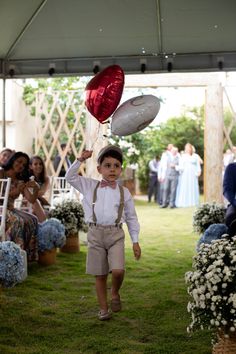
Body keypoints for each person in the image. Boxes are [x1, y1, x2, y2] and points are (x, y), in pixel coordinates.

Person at [65, 145, 141, 321]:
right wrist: (80, 159)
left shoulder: (125, 192)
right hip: (95, 234)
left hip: (116, 235)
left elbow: (131, 217)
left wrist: (135, 241)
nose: (112, 169)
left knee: (118, 271)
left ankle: (114, 292)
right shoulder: (89, 186)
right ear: (99, 169)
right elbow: (70, 177)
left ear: (121, 169)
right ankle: (103, 309)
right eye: (107, 165)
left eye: (116, 165)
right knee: (100, 275)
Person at [0, 151, 40, 261]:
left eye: (24, 164)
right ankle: (15, 257)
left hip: (10, 209)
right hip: (0, 209)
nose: (21, 165)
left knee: (33, 219)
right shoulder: (1, 173)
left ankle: (28, 256)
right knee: (18, 221)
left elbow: (31, 199)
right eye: (19, 162)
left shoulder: (20, 180)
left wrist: (36, 189)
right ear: (13, 160)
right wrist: (16, 191)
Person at [175, 143, 201, 208]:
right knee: (185, 186)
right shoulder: (183, 156)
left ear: (191, 148)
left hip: (193, 173)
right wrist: (175, 167)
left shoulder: (195, 156)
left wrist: (199, 171)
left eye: (189, 148)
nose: (188, 149)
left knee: (193, 186)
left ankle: (193, 202)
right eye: (186, 148)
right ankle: (185, 202)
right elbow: (181, 166)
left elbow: (198, 165)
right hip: (185, 174)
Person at [223, 162, 236, 235]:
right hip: (235, 204)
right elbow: (227, 190)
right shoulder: (232, 168)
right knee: (231, 217)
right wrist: (234, 202)